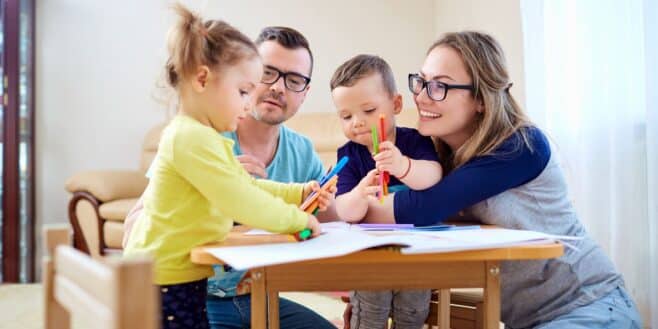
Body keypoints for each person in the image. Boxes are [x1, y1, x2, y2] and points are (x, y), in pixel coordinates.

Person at [357, 31, 643, 329]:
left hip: (590, 305)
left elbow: (420, 209)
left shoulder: (520, 146)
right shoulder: (435, 157)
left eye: (439, 85)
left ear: (481, 98)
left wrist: (348, 208)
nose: (421, 96)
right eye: (421, 81)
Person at [123, 5, 329, 328]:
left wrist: (297, 192)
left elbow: (246, 187)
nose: (248, 102)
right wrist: (296, 219)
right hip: (161, 281)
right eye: (245, 90)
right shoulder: (190, 138)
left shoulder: (206, 138)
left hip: (183, 278)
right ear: (203, 79)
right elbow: (241, 200)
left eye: (293, 80)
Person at [330, 54, 441, 329]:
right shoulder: (349, 155)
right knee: (369, 316)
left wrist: (403, 166)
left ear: (396, 104)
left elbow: (433, 177)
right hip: (370, 258)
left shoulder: (415, 141)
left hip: (416, 255)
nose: (356, 122)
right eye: (346, 116)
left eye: (368, 111)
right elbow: (344, 210)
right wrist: (359, 193)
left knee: (412, 315)